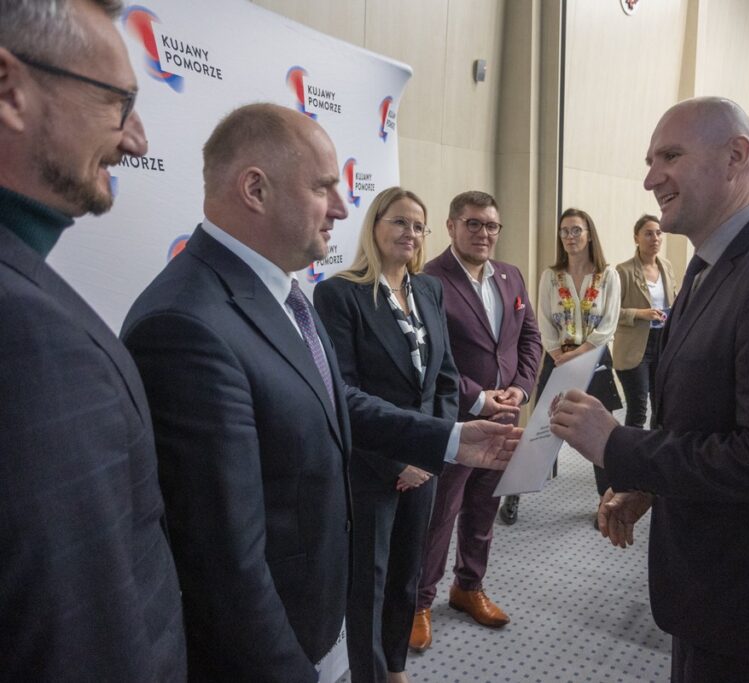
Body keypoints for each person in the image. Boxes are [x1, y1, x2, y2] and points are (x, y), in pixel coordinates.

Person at [120, 104, 518, 681]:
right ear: (255, 188)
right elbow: (223, 561)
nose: (341, 206)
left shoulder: (281, 292)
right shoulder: (186, 325)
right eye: (323, 187)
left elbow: (338, 403)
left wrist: (451, 437)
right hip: (272, 644)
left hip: (319, 610)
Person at [549, 97, 749, 682]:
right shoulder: (708, 267)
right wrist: (652, 487)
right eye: (650, 160)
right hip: (717, 590)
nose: (650, 178)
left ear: (736, 157)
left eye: (670, 156)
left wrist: (619, 447)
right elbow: (711, 423)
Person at [0, 1, 187, 680]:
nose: (136, 140)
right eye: (118, 103)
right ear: (8, 89)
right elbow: (77, 639)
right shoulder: (29, 339)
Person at [312, 188, 458, 683]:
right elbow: (342, 392)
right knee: (369, 587)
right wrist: (399, 460)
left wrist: (431, 450)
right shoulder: (340, 294)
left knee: (406, 578)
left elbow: (446, 381)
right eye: (399, 223)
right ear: (375, 226)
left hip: (425, 467)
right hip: (373, 470)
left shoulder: (430, 291)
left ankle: (395, 670)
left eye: (419, 226)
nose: (410, 234)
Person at [411, 190, 542, 651]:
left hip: (505, 417)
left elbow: (530, 340)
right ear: (451, 226)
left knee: (484, 510)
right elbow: (431, 359)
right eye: (473, 224)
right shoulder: (429, 280)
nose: (483, 233)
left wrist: (521, 390)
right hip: (459, 423)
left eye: (491, 225)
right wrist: (478, 398)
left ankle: (469, 586)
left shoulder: (510, 275)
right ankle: (420, 602)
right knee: (441, 515)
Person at [506, 207, 622, 524]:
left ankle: (607, 504)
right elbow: (543, 321)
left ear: (589, 234)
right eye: (564, 231)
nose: (570, 237)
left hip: (595, 361)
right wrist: (558, 354)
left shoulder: (608, 275)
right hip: (557, 360)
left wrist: (579, 353)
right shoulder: (551, 276)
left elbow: (608, 325)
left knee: (603, 434)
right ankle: (513, 495)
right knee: (542, 430)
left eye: (576, 230)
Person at [613, 214, 676, 428]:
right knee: (638, 409)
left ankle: (653, 458)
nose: (655, 238)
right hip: (634, 348)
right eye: (648, 234)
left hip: (662, 343)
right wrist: (641, 314)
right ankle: (631, 459)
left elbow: (673, 299)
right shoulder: (624, 271)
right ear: (636, 238)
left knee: (661, 407)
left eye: (658, 233)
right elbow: (611, 312)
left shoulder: (666, 266)